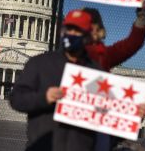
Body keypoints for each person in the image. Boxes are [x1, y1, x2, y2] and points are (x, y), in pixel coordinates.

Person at [10, 9, 99, 151]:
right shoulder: (39, 63)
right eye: (68, 29)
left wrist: (129, 117)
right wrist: (44, 97)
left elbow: (105, 121)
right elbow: (16, 99)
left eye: (77, 31)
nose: (71, 34)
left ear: (87, 36)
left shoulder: (95, 72)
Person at [82, 0, 145, 150]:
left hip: (97, 127)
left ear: (98, 30)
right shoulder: (61, 57)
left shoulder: (102, 55)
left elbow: (131, 44)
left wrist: (142, 12)